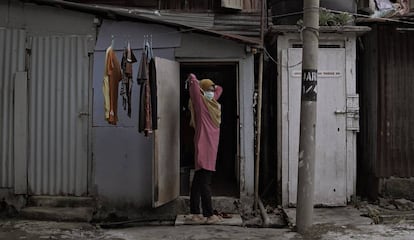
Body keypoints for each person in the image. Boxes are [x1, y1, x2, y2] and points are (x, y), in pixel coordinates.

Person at [187, 73, 223, 224]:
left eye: (211, 89)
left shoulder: (212, 102)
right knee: (205, 182)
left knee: (197, 181)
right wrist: (193, 78)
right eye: (207, 89)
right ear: (202, 91)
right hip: (204, 147)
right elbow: (195, 88)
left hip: (209, 147)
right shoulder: (201, 105)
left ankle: (195, 213)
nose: (211, 91)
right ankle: (209, 215)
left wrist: (208, 87)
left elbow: (220, 89)